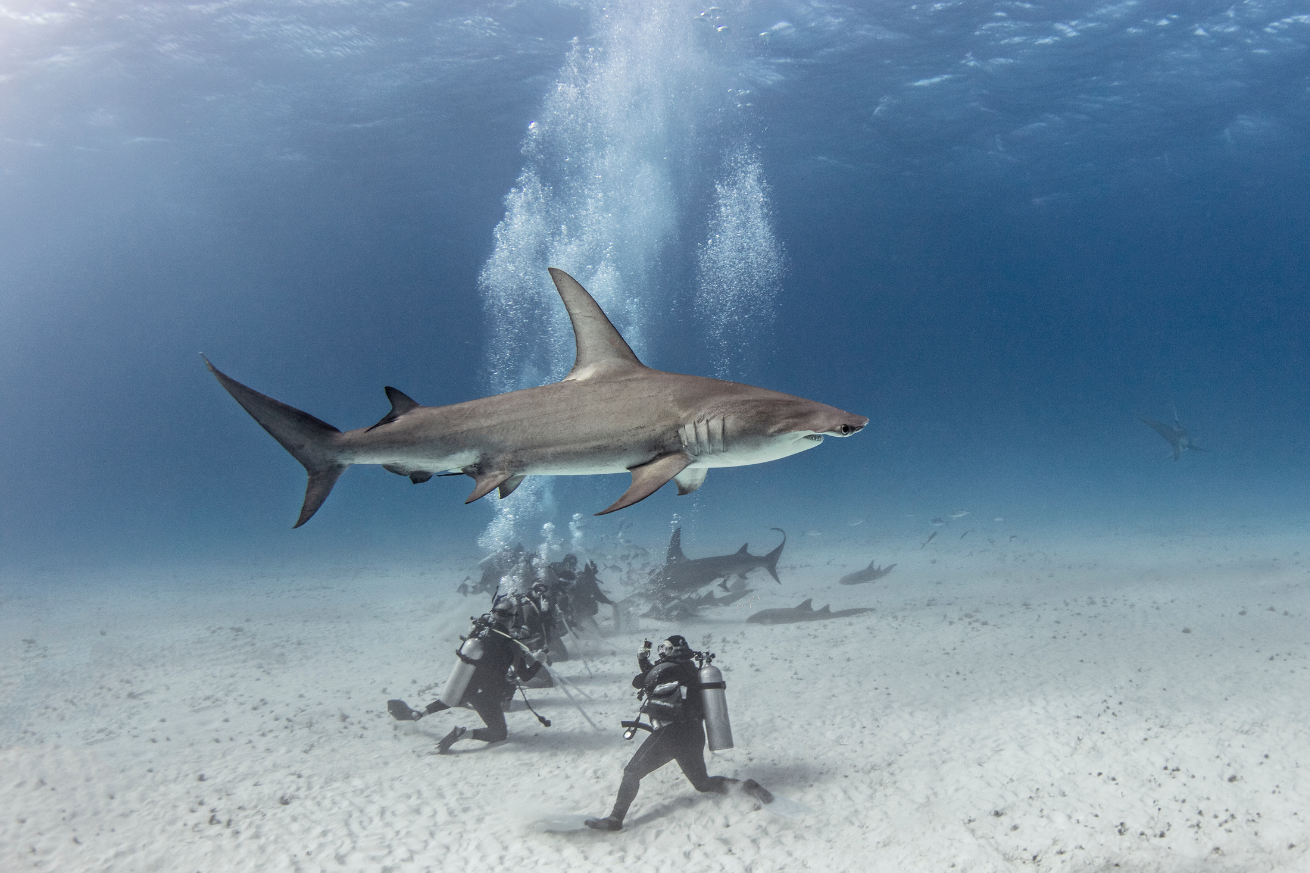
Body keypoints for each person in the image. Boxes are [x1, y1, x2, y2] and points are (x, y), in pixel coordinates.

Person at [585, 635, 772, 831]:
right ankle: (747, 787)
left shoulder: (670, 669)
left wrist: (644, 662)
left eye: (665, 649)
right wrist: (644, 661)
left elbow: (640, 681)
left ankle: (615, 819)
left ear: (674, 651)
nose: (662, 653)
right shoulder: (689, 668)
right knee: (702, 782)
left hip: (671, 734)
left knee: (632, 772)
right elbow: (655, 676)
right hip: (693, 733)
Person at [386, 595, 544, 754]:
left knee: (450, 699)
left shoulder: (479, 630)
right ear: (512, 619)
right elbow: (525, 676)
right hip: (486, 697)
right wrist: (539, 660)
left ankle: (417, 714)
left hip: (466, 686)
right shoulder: (512, 645)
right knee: (499, 733)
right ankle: (463, 734)